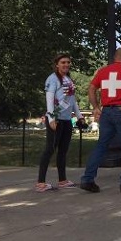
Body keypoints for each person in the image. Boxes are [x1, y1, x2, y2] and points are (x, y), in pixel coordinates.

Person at [80, 47, 121, 193]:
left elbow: (91, 88)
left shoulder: (103, 71)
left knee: (101, 145)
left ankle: (87, 179)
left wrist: (96, 107)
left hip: (106, 112)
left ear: (115, 57)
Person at [36, 53, 85, 192]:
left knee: (63, 151)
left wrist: (80, 116)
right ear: (57, 64)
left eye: (68, 62)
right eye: (63, 62)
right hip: (56, 119)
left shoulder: (68, 79)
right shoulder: (52, 79)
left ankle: (62, 180)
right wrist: (51, 119)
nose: (66, 64)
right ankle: (41, 183)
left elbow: (72, 101)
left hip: (66, 119)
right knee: (49, 149)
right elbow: (49, 99)